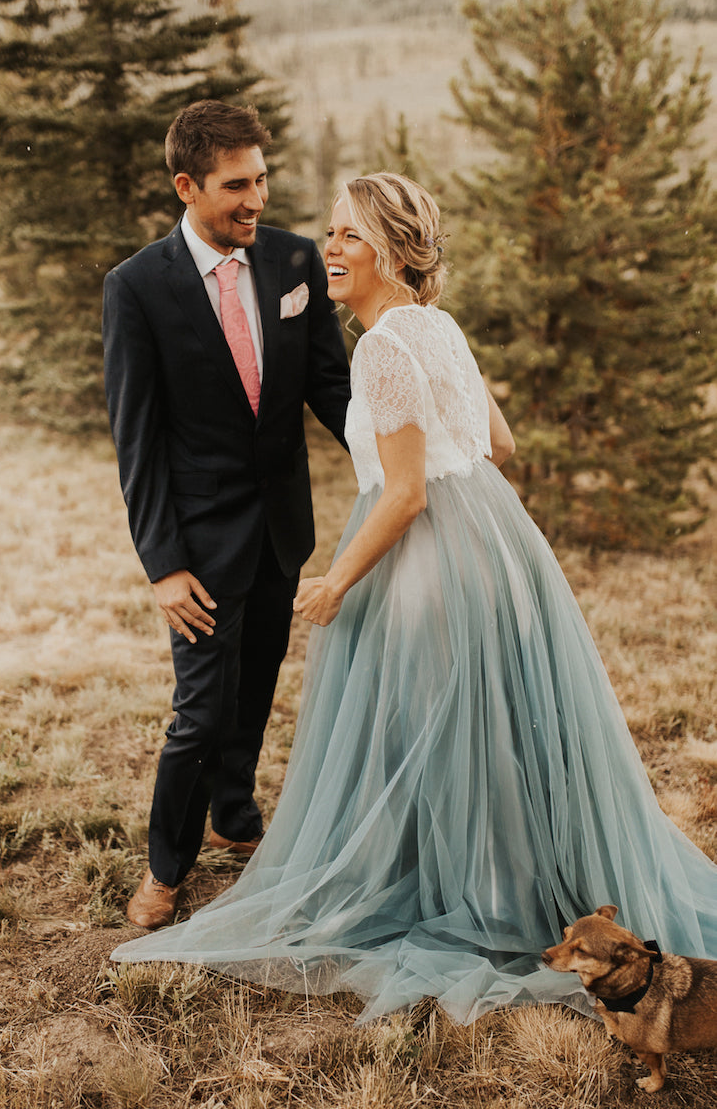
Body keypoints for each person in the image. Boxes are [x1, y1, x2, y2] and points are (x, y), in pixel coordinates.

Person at [110, 172, 717, 1023]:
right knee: (490, 730)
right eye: (330, 232)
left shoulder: (383, 347)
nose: (328, 249)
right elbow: (494, 443)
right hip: (498, 549)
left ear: (392, 253)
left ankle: (478, 896)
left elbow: (402, 497)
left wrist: (336, 583)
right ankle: (515, 878)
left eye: (349, 236)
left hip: (425, 565)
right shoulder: (440, 329)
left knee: (433, 734)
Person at [102, 100, 352, 929]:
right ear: (188, 185)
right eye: (236, 185)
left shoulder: (293, 262)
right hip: (200, 547)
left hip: (282, 529)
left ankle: (235, 814)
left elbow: (332, 389)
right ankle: (167, 869)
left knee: (254, 691)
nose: (257, 200)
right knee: (199, 713)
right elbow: (136, 439)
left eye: (263, 180)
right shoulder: (136, 289)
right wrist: (163, 565)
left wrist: (397, 457)